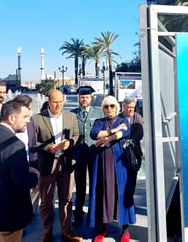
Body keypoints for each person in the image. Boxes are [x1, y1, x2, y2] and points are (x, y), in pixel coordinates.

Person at [0, 100, 39, 242]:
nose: (28, 121)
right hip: (11, 212)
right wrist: (35, 175)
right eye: (25, 116)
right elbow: (21, 183)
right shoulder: (15, 145)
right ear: (11, 118)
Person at [33, 89, 82, 242]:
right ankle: (47, 232)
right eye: (55, 102)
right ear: (48, 102)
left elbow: (76, 135)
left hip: (66, 163)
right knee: (47, 201)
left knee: (66, 199)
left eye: (61, 102)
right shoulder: (37, 119)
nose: (58, 105)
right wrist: (49, 148)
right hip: (48, 164)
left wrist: (70, 143)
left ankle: (66, 231)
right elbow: (33, 142)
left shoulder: (71, 116)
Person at [88, 95, 136, 242]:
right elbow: (94, 134)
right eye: (106, 106)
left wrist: (107, 138)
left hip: (120, 165)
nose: (109, 109)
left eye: (112, 106)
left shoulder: (123, 120)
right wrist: (112, 131)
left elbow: (124, 132)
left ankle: (125, 229)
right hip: (101, 164)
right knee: (102, 192)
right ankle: (101, 228)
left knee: (122, 193)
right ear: (103, 109)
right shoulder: (99, 121)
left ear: (117, 107)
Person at [70, 85, 103, 226]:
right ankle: (78, 215)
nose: (84, 99)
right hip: (79, 154)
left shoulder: (99, 113)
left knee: (96, 185)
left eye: (87, 97)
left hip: (94, 153)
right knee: (80, 185)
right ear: (79, 98)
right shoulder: (72, 114)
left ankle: (95, 214)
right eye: (82, 97)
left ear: (91, 98)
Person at [13, 94, 39, 213]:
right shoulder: (3, 123)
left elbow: (33, 142)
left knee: (35, 187)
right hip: (14, 165)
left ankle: (30, 211)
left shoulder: (31, 121)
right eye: (29, 108)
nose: (31, 110)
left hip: (30, 161)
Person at [119, 97, 144, 198]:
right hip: (122, 152)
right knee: (122, 177)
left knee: (133, 177)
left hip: (134, 152)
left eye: (132, 107)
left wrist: (132, 141)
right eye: (128, 107)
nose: (130, 110)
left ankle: (130, 199)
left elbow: (140, 133)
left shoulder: (137, 117)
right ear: (123, 107)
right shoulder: (118, 118)